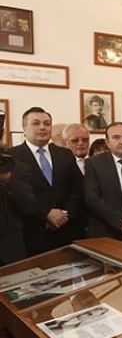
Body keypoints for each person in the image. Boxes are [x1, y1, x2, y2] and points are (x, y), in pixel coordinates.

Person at [6, 107, 85, 255]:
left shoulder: (65, 154)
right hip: (31, 233)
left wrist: (64, 215)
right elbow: (17, 194)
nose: (42, 127)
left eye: (47, 124)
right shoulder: (12, 156)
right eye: (36, 123)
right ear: (24, 128)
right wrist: (46, 214)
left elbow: (78, 188)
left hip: (67, 231)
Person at [0, 150, 37, 338]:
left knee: (13, 321)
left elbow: (30, 205)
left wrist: (7, 180)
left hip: (9, 254)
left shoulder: (15, 167)